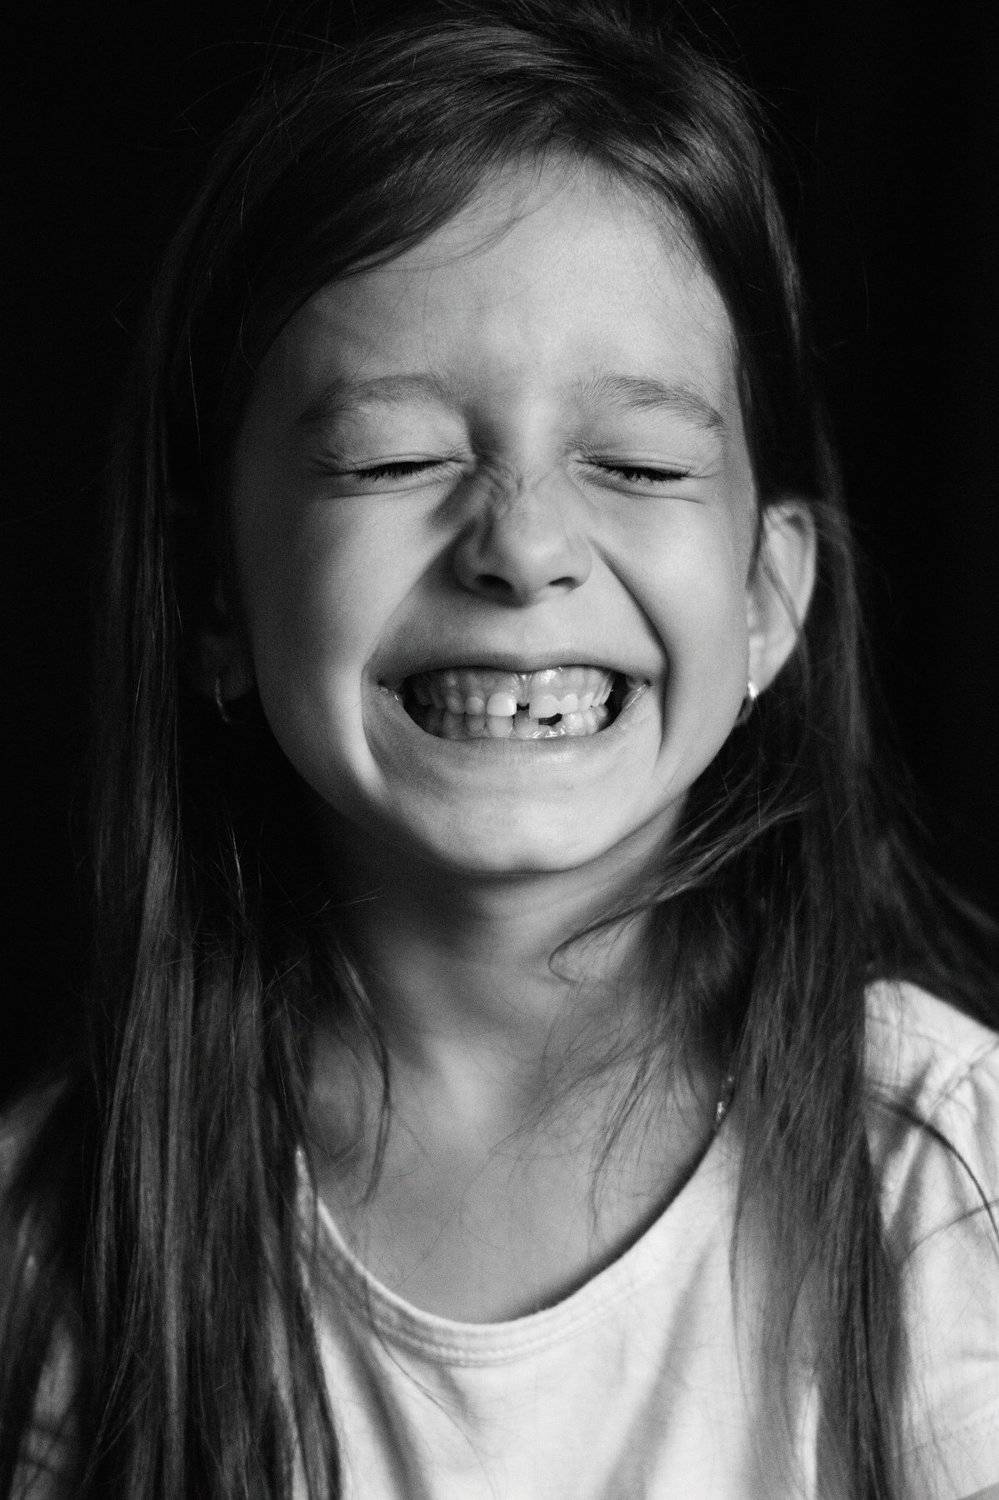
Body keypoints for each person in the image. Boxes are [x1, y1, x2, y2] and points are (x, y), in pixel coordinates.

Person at [2, 1, 997, 1495]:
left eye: (638, 464)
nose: (523, 549)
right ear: (214, 598)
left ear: (767, 597)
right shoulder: (60, 1240)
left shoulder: (948, 1187)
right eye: (393, 459)